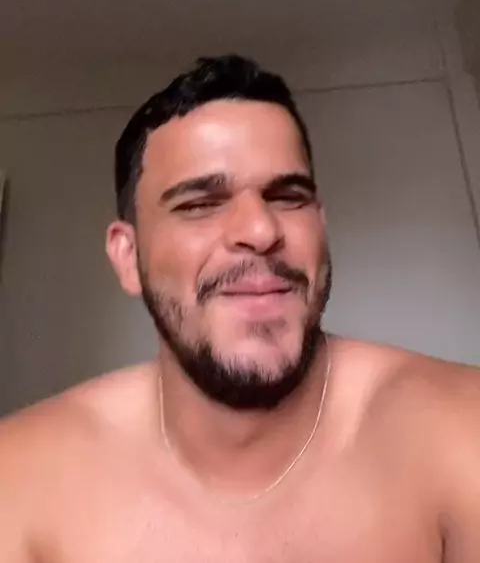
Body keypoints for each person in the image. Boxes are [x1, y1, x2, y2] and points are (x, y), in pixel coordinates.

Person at [1, 54, 479, 562]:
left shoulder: (460, 429)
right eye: (199, 205)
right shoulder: (20, 475)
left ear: (320, 228)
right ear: (127, 256)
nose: (260, 230)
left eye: (287, 196)